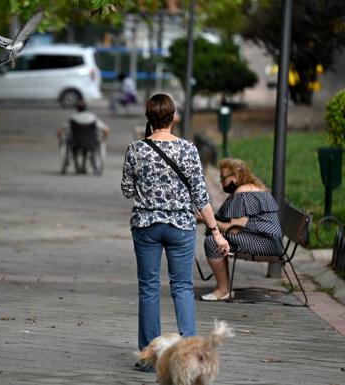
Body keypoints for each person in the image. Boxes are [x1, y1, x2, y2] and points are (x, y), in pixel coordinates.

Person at [121, 94, 229, 371]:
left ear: (148, 118)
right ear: (173, 118)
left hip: (146, 226)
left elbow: (127, 190)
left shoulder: (136, 149)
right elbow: (201, 196)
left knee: (149, 288)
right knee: (182, 287)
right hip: (181, 227)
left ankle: (149, 359)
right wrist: (216, 231)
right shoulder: (189, 149)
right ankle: (190, 357)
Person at [197, 158, 283, 301]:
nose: (221, 181)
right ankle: (224, 287)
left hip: (263, 243)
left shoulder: (242, 193)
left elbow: (235, 229)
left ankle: (223, 290)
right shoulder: (255, 188)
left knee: (213, 241)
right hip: (271, 242)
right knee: (219, 239)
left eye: (223, 177)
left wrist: (207, 221)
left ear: (236, 177)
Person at [57, 100, 110, 173]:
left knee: (71, 145)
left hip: (75, 142)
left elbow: (59, 131)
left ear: (77, 108)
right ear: (86, 108)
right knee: (92, 145)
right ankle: (85, 166)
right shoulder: (93, 117)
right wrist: (103, 140)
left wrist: (60, 140)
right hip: (91, 142)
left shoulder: (73, 118)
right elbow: (106, 130)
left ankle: (77, 165)